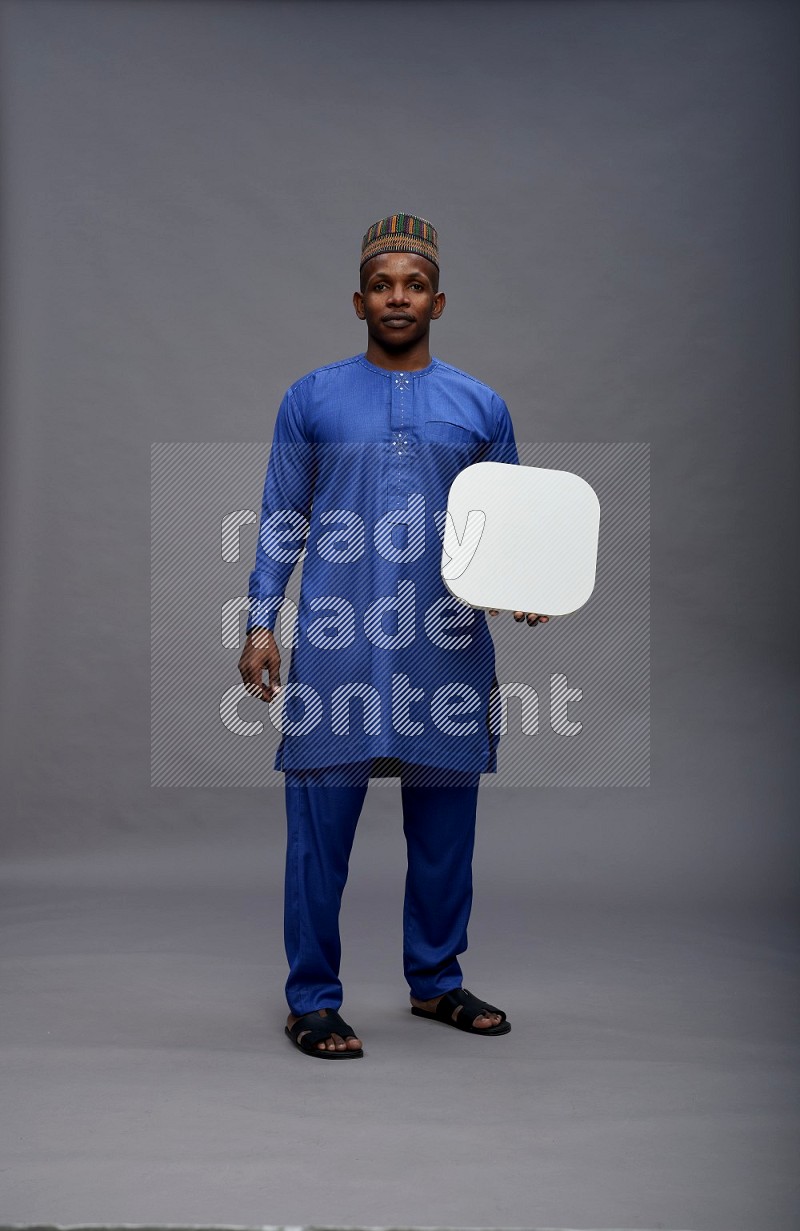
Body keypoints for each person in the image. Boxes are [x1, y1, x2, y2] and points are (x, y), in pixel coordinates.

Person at [238, 214, 548, 1058]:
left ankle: (437, 982)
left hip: (443, 644)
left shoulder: (480, 405)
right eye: (383, 285)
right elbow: (280, 518)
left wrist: (529, 585)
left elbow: (512, 524)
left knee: (446, 834)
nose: (398, 297)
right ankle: (312, 998)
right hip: (339, 645)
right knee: (318, 835)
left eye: (413, 284)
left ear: (437, 299)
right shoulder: (312, 398)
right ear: (358, 300)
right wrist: (260, 621)